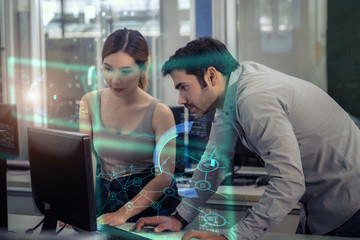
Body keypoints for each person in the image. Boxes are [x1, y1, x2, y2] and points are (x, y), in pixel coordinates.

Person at [131, 36, 360, 239]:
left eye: (184, 88)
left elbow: (288, 182)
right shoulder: (230, 95)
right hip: (322, 208)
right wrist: (180, 217)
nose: (180, 99)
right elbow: (214, 162)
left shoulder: (254, 100)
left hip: (350, 207)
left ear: (211, 76)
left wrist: (232, 237)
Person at [79, 28, 180, 226]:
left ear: (143, 68)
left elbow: (165, 177)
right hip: (104, 206)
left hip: (147, 212)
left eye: (125, 71)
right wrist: (79, 206)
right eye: (108, 69)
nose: (115, 80)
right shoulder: (88, 102)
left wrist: (123, 213)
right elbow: (87, 162)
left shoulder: (161, 113)